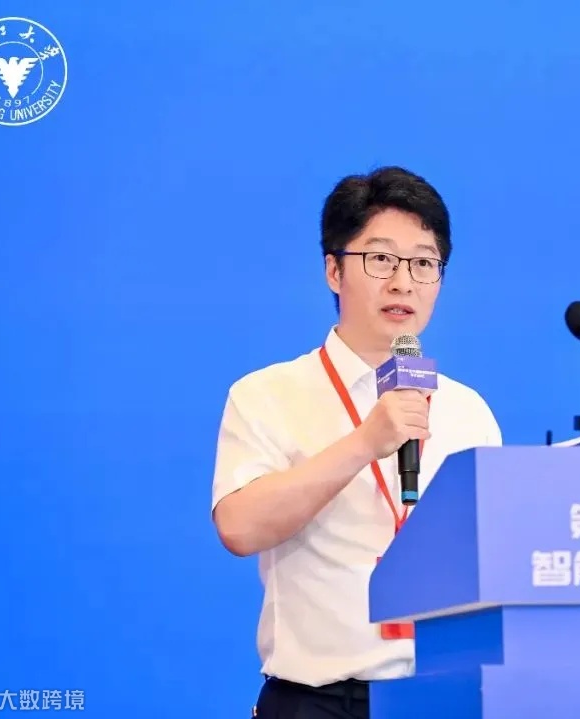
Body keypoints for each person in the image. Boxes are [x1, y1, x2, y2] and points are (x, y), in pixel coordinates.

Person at [210, 166, 503, 719]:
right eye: (381, 259)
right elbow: (239, 528)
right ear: (333, 270)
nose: (403, 282)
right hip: (318, 702)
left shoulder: (468, 411)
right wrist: (366, 441)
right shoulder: (268, 394)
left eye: (423, 263)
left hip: (442, 699)